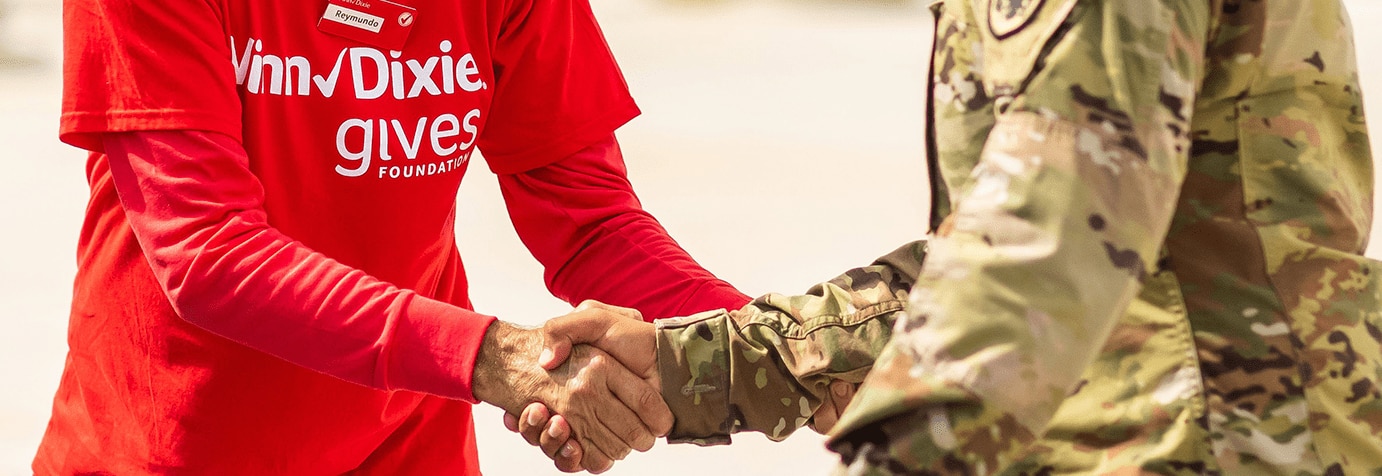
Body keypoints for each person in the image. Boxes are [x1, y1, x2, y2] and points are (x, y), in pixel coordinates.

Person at [516, 0, 1382, 473]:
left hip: (1208, 443)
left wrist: (900, 462)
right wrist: (696, 365)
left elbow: (1046, 242)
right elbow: (982, 250)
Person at [32, 0, 760, 473]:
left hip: (409, 443)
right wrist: (497, 359)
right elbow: (208, 253)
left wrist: (782, 347)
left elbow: (591, 225)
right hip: (169, 449)